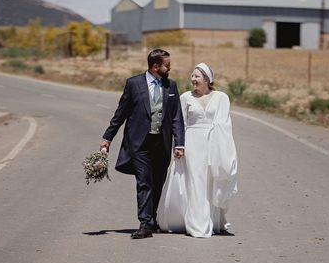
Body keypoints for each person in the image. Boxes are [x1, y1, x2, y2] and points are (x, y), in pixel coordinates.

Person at [100, 49, 185, 239]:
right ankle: (145, 223)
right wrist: (107, 138)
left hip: (162, 144)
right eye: (167, 65)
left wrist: (179, 143)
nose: (169, 68)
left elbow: (176, 117)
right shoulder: (134, 84)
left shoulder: (171, 86)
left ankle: (152, 219)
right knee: (144, 182)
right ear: (155, 67)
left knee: (157, 184)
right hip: (140, 144)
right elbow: (120, 113)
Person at [157, 62, 238, 238]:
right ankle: (196, 223)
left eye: (197, 76)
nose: (193, 79)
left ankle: (210, 218)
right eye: (192, 76)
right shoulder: (186, 97)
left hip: (213, 145)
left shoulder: (221, 98)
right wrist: (178, 145)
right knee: (194, 181)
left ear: (207, 79)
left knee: (208, 181)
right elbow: (179, 123)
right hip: (191, 144)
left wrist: (221, 149)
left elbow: (224, 123)